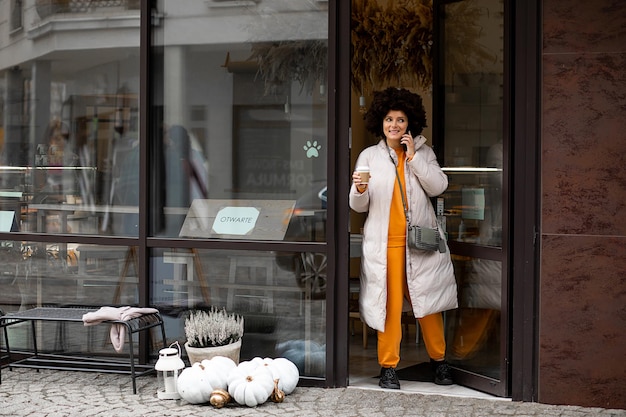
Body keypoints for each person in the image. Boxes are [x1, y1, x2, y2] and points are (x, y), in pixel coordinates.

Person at [349, 87, 457, 389]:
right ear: (379, 122)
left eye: (400, 120)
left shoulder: (423, 152)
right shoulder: (368, 156)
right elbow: (358, 205)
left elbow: (438, 187)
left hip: (419, 244)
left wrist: (413, 158)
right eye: (388, 119)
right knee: (390, 307)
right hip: (386, 246)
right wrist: (358, 189)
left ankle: (440, 362)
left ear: (410, 123)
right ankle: (388, 367)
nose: (393, 125)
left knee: (428, 305)